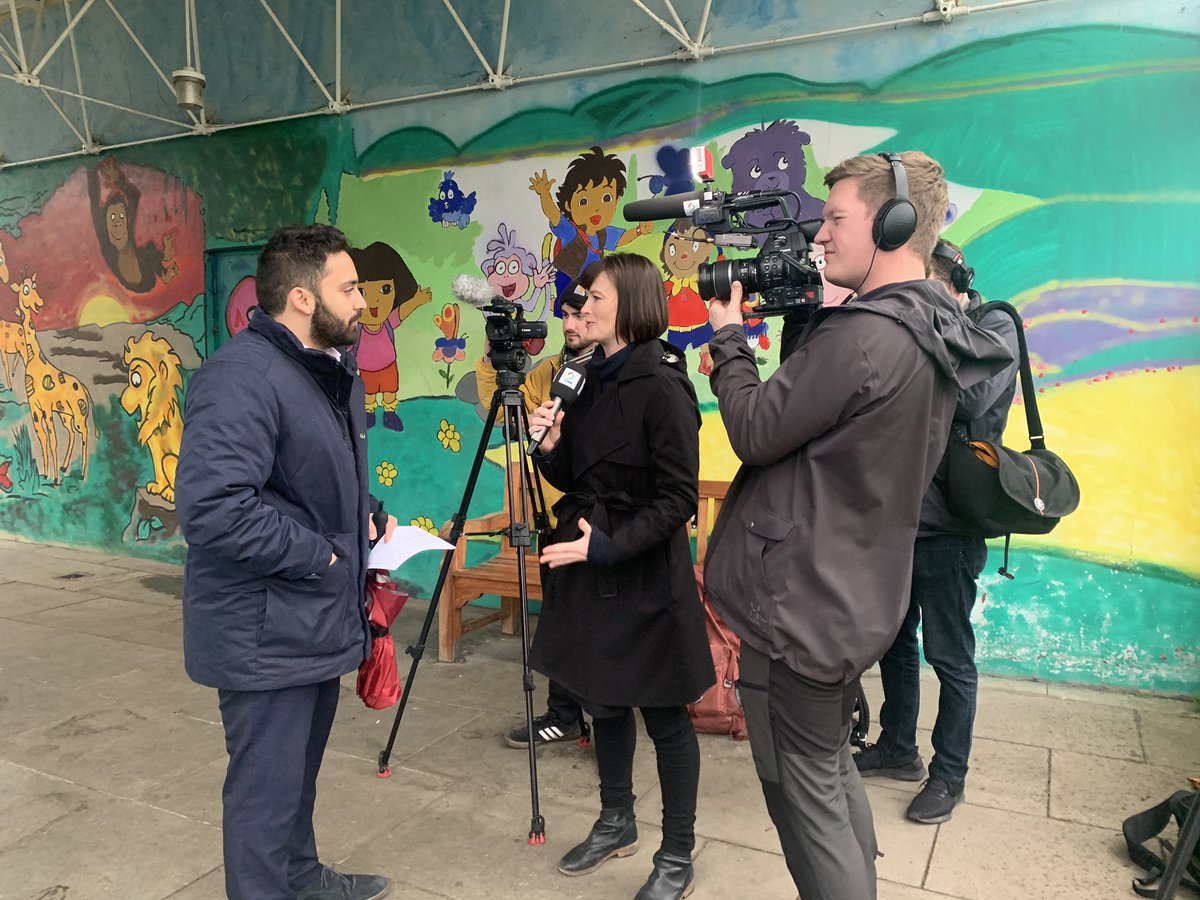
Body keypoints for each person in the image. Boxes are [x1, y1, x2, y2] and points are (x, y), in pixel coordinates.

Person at [701, 152, 1013, 900]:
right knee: (830, 764)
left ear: (894, 224)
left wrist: (727, 337)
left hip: (801, 607)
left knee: (800, 794)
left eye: (836, 218)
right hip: (851, 593)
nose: (821, 236)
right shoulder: (930, 325)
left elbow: (754, 427)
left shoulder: (865, 337)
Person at [176, 224, 396, 900]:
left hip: (310, 623)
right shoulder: (241, 378)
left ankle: (303, 879)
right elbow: (214, 508)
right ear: (302, 298)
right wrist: (327, 555)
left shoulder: (326, 370)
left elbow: (304, 481)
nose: (363, 302)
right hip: (262, 632)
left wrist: (367, 517)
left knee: (296, 778)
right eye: (349, 287)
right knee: (262, 799)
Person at [527, 253, 715, 900]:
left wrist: (607, 548)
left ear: (631, 303)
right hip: (588, 565)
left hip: (640, 576)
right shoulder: (585, 376)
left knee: (665, 719)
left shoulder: (661, 384)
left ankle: (678, 852)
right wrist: (550, 446)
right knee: (602, 701)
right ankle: (616, 821)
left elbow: (677, 499)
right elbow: (575, 478)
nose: (583, 306)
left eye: (596, 296)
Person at [853, 239, 1020, 824]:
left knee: (949, 655)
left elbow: (969, 395)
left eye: (923, 285)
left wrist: (930, 324)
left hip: (950, 525)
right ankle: (899, 748)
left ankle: (950, 774)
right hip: (898, 521)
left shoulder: (993, 322)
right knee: (894, 645)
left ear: (951, 281)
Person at [474, 290, 599, 749]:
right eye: (565, 314)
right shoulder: (547, 370)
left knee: (600, 621)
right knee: (560, 619)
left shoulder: (613, 369)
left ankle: (608, 716)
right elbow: (505, 411)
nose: (571, 322)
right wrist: (492, 362)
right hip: (553, 517)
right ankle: (564, 714)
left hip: (601, 520)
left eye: (581, 313)